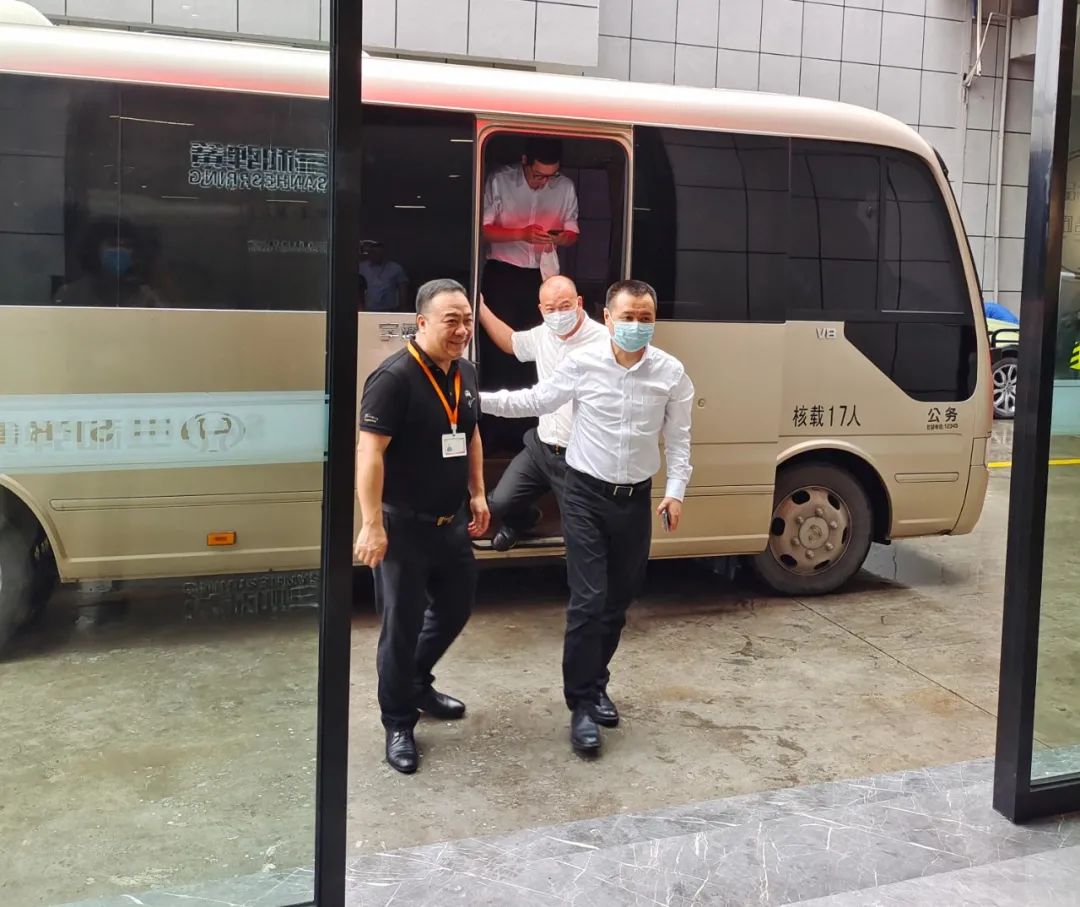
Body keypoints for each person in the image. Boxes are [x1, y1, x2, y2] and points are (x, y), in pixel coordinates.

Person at [482, 279, 694, 757]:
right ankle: (580, 705)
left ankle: (597, 684)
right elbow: (535, 400)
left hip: (634, 500)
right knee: (588, 599)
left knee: (619, 599)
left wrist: (675, 493)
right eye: (627, 317)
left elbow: (680, 440)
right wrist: (479, 399)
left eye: (645, 318)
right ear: (608, 317)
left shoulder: (671, 373)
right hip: (583, 494)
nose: (636, 325)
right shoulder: (584, 363)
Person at [354, 278, 490, 774]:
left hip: (450, 523)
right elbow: (369, 454)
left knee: (456, 607)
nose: (462, 330)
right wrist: (372, 524)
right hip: (403, 528)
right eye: (451, 320)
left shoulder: (465, 371)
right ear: (422, 322)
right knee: (401, 628)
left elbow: (470, 433)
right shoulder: (393, 379)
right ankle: (398, 721)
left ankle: (415, 681)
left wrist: (477, 492)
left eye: (467, 320)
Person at [478, 274, 607, 551]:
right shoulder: (544, 334)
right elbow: (511, 342)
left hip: (579, 456)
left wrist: (475, 401)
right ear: (541, 310)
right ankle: (522, 520)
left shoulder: (604, 342)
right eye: (551, 308)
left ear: (579, 302)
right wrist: (481, 308)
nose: (558, 314)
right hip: (542, 446)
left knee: (580, 535)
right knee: (499, 502)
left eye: (565, 306)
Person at [480, 138, 580, 407]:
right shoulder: (500, 180)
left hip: (543, 276)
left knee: (539, 345)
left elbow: (573, 231)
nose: (544, 182)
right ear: (525, 161)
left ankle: (532, 417)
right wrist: (520, 234)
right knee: (497, 347)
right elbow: (483, 229)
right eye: (538, 175)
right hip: (503, 273)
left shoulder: (565, 187)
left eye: (551, 176)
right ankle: (494, 418)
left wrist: (561, 238)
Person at [54, 218, 166, 308]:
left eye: (127, 246)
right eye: (113, 244)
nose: (120, 250)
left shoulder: (146, 297)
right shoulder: (71, 294)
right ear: (94, 249)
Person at [359, 241, 409, 312]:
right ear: (369, 253)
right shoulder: (361, 267)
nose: (376, 255)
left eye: (379, 253)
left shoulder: (396, 268)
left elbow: (403, 290)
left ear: (384, 253)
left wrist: (402, 310)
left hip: (389, 310)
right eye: (374, 252)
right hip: (368, 310)